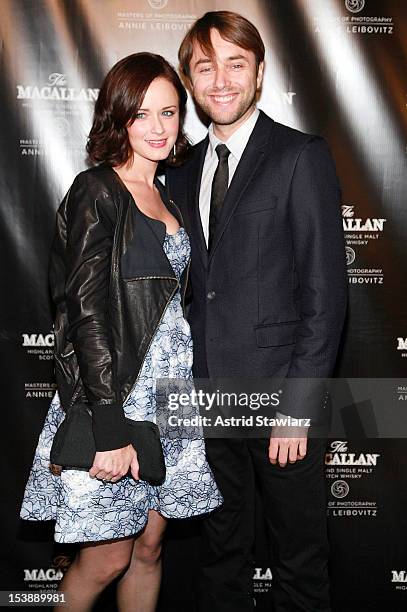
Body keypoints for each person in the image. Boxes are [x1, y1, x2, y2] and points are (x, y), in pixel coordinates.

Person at [20, 52, 222, 612]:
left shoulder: (170, 195)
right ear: (118, 118)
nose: (159, 128)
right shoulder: (98, 190)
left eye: (170, 112)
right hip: (117, 392)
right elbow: (82, 311)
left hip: (171, 399)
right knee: (107, 557)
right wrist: (107, 424)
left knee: (151, 548)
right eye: (142, 115)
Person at [167, 11, 347, 612]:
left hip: (280, 404)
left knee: (299, 562)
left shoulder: (301, 156)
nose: (220, 80)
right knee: (220, 559)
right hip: (206, 401)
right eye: (205, 66)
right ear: (190, 81)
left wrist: (298, 409)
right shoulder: (181, 169)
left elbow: (325, 297)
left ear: (260, 72)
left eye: (235, 64)